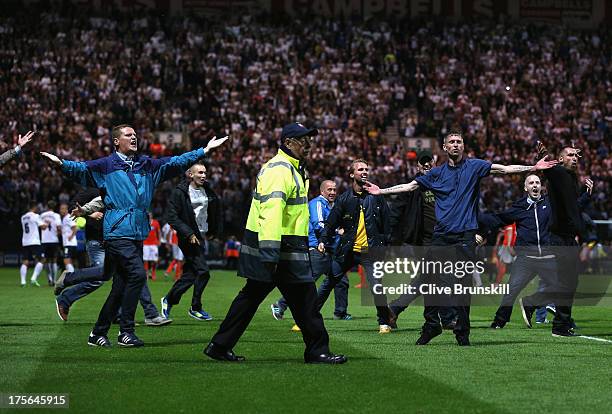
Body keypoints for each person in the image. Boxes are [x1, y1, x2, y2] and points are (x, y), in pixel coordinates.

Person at [41, 124, 228, 347]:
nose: (134, 137)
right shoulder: (106, 165)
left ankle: (97, 333)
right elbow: (80, 169)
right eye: (128, 135)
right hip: (117, 232)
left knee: (120, 285)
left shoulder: (147, 164)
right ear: (116, 141)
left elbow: (177, 161)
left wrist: (204, 150)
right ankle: (126, 332)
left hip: (137, 231)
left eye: (135, 135)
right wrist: (61, 164)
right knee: (138, 276)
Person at [365, 131, 557, 346]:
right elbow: (410, 186)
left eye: (459, 142)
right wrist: (381, 191)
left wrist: (533, 167)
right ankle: (431, 325)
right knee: (429, 280)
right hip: (441, 236)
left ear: (463, 146)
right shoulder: (436, 174)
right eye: (452, 142)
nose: (456, 145)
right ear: (445, 148)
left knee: (462, 286)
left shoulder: (474, 166)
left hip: (464, 236)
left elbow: (504, 168)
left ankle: (462, 332)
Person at [204, 122, 346, 364]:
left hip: (279, 247)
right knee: (305, 300)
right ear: (288, 143)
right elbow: (271, 211)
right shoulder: (281, 170)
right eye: (304, 140)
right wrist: (270, 253)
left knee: (251, 297)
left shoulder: (292, 168)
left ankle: (219, 345)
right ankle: (317, 350)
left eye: (310, 140)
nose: (309, 145)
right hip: (280, 249)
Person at [54, 191, 171, 327]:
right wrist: (90, 213)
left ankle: (137, 314)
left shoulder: (119, 187)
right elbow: (72, 206)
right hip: (97, 241)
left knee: (132, 274)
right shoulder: (92, 188)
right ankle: (67, 289)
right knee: (104, 277)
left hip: (117, 240)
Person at [518, 144, 592, 337]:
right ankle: (560, 325)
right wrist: (544, 157)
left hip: (567, 238)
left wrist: (586, 195)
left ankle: (539, 308)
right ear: (560, 159)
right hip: (559, 238)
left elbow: (573, 209)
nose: (575, 157)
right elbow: (551, 170)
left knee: (569, 283)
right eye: (570, 155)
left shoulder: (569, 180)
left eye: (577, 155)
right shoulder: (559, 174)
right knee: (565, 283)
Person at [318, 161, 393, 333]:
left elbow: (387, 223)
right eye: (361, 169)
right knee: (328, 282)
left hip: (370, 251)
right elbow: (331, 224)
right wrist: (323, 239)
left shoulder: (376, 196)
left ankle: (384, 322)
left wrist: (386, 246)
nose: (365, 172)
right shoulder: (344, 199)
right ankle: (306, 318)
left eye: (367, 169)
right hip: (348, 250)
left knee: (377, 287)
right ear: (352, 174)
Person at [386, 151, 456, 329]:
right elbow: (395, 211)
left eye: (429, 162)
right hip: (423, 242)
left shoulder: (443, 183)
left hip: (443, 239)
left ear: (434, 163)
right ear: (417, 166)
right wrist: (390, 237)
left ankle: (394, 309)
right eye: (422, 163)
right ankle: (448, 318)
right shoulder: (413, 186)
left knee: (426, 280)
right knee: (441, 277)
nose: (426, 165)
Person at [481, 175, 558, 329]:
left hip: (547, 256)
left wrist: (585, 193)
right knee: (511, 290)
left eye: (537, 182)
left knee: (561, 287)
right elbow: (499, 219)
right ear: (525, 188)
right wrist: (476, 223)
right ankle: (499, 321)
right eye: (531, 183)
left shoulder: (550, 203)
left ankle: (536, 308)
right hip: (526, 259)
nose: (535, 185)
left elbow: (571, 205)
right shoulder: (519, 207)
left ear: (541, 186)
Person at [271, 179, 351, 322]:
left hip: (331, 250)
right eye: (329, 190)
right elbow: (318, 224)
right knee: (306, 282)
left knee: (341, 281)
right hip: (318, 249)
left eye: (334, 189)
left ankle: (340, 312)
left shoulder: (332, 205)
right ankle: (280, 304)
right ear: (322, 191)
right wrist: (338, 231)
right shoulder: (317, 204)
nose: (333, 192)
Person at [160, 161, 222, 322]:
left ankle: (168, 300)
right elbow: (172, 217)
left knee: (191, 274)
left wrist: (213, 231)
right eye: (200, 173)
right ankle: (196, 307)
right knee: (204, 272)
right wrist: (188, 233)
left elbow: (215, 210)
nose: (203, 176)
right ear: (190, 174)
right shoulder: (179, 192)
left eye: (205, 173)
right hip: (188, 238)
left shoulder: (207, 190)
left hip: (201, 236)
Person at [20, 204, 46, 287]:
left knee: (25, 261)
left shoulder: (23, 217)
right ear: (34, 207)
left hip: (25, 241)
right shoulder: (36, 216)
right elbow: (43, 227)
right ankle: (33, 279)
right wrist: (46, 224)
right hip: (34, 241)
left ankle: (23, 282)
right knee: (42, 259)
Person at [40, 200, 62, 285]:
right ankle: (54, 280)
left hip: (44, 240)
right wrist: (59, 233)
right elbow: (59, 228)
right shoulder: (56, 215)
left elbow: (41, 227)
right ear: (54, 206)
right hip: (53, 240)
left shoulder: (42, 215)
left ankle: (49, 278)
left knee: (46, 260)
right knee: (54, 260)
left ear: (47, 206)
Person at [59, 203, 78, 274]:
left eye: (62, 209)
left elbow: (75, 227)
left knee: (66, 260)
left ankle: (73, 276)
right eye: (60, 209)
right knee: (69, 260)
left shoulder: (68, 217)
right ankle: (72, 275)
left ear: (66, 209)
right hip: (68, 243)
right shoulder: (64, 218)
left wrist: (71, 236)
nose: (61, 210)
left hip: (69, 243)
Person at [143, 213, 161, 280]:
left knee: (155, 260)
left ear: (152, 216)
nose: (149, 216)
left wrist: (159, 240)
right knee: (146, 260)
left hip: (154, 244)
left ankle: (153, 272)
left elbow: (158, 232)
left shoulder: (156, 222)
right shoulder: (143, 223)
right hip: (145, 243)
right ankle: (146, 274)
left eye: (150, 215)